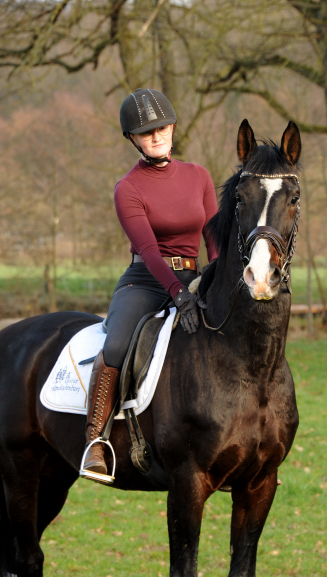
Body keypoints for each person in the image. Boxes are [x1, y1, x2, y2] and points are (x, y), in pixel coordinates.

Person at [81, 88, 218, 480]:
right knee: (118, 343)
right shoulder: (129, 188)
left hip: (195, 276)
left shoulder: (199, 176)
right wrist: (178, 294)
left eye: (162, 127)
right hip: (145, 281)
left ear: (173, 127)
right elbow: (150, 251)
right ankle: (96, 438)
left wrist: (216, 278)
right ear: (133, 139)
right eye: (146, 132)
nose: (157, 136)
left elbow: (213, 238)